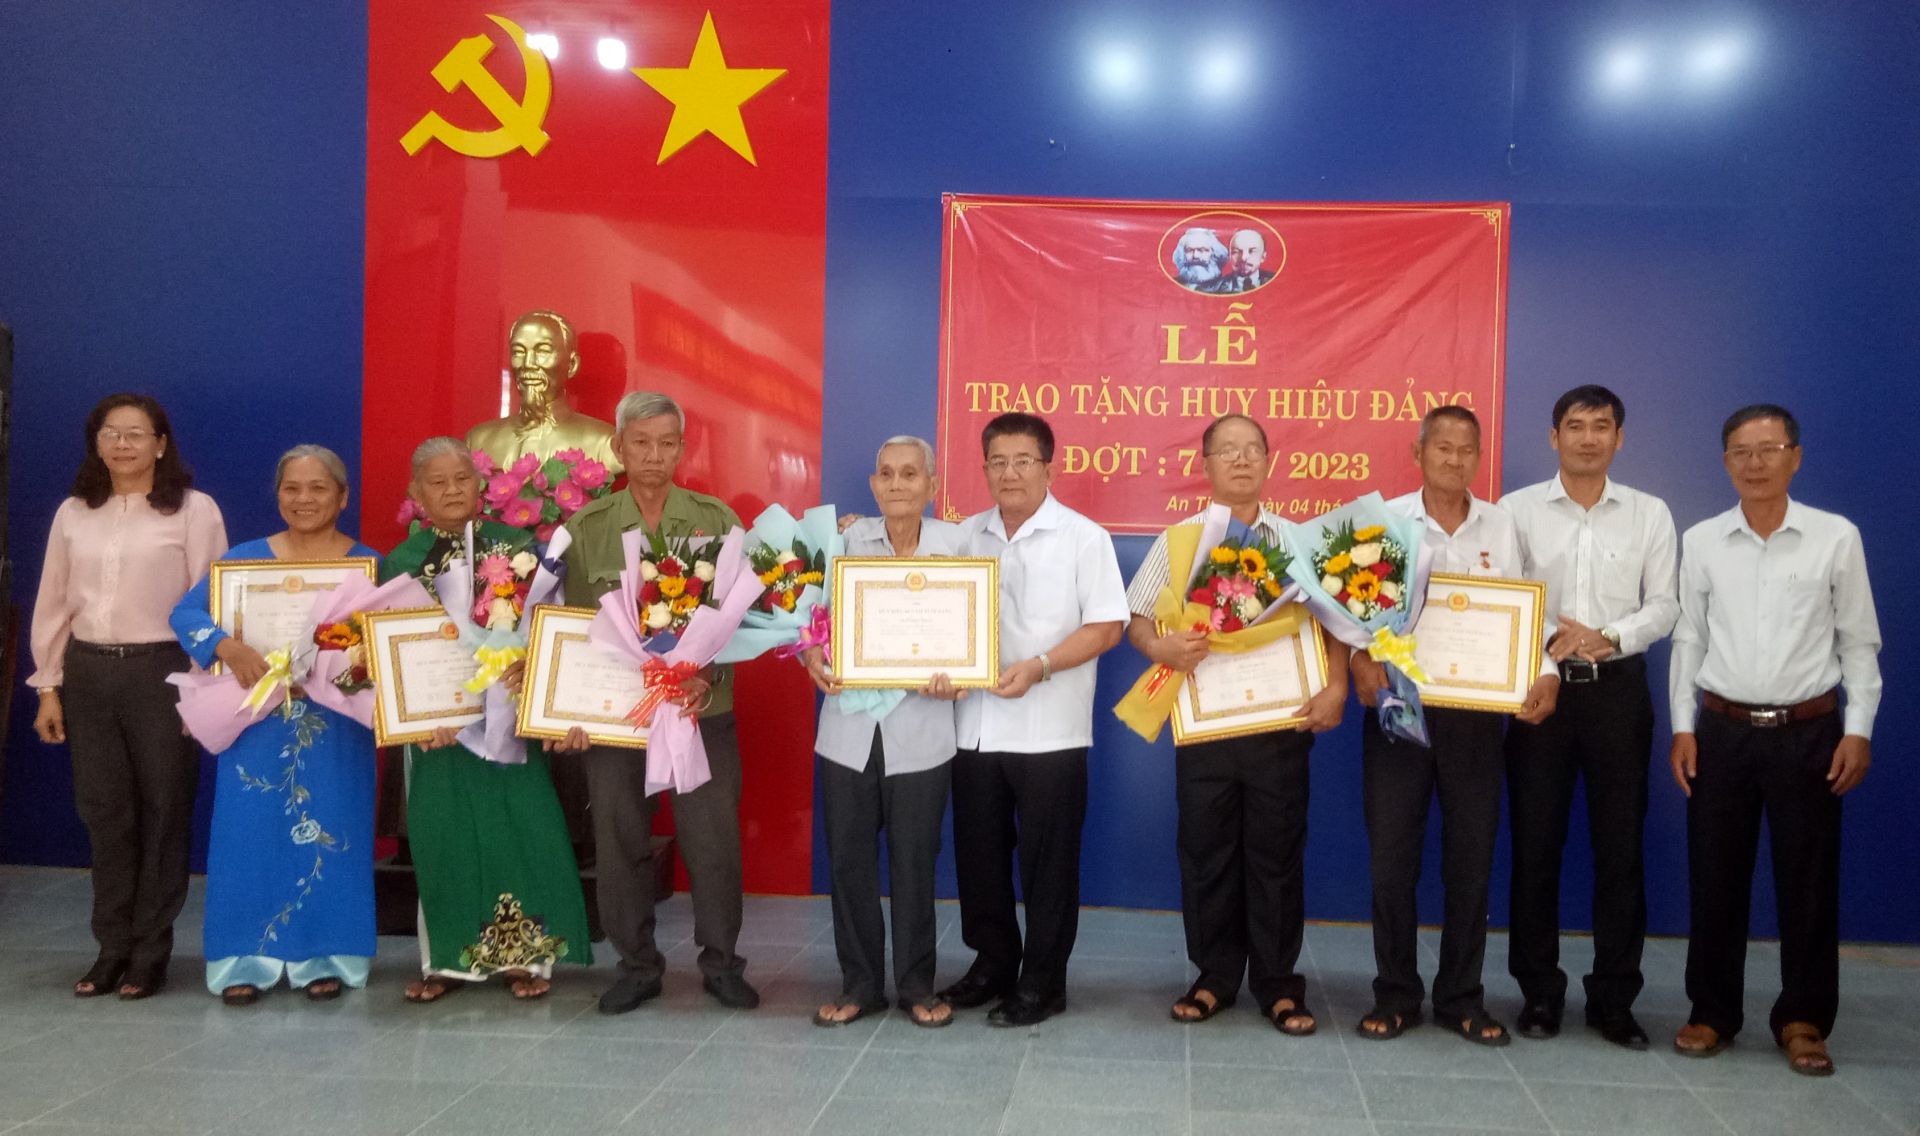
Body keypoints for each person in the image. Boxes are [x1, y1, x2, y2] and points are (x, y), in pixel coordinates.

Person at [1668, 404, 1879, 1077]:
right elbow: (1689, 638)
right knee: (1715, 876)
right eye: (1741, 451)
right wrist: (1682, 726)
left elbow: (1859, 642)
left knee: (1808, 881)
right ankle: (1712, 1011)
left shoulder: (1835, 538)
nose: (1755, 463)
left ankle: (1804, 1018)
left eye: (1769, 449)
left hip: (1809, 732)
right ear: (1725, 461)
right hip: (1721, 731)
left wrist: (1858, 729)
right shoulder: (1703, 540)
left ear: (1796, 457)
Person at [1125, 414, 1348, 1033]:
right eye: (1228, 450)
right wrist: (1159, 647)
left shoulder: (1299, 543)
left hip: (1282, 725)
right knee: (1206, 852)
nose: (1242, 460)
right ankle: (1214, 976)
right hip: (1206, 727)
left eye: (1252, 449)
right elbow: (1136, 617)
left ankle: (1279, 983)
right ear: (1206, 465)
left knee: (1277, 854)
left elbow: (1338, 622)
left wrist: (1336, 685)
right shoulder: (1178, 541)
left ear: (1269, 461)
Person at [1350, 405, 1559, 1047]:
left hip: (1476, 716)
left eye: (1467, 449)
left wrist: (1546, 671)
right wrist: (1359, 659)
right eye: (1442, 447)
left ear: (1479, 457)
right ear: (1418, 453)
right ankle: (1395, 993)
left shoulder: (1502, 524)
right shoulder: (1383, 524)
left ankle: (1462, 996)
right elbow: (1351, 611)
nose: (1454, 459)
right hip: (1401, 708)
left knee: (1471, 859)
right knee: (1392, 859)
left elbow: (1530, 613)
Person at [551, 391, 758, 1014]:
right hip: (618, 718)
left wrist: (704, 675)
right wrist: (569, 713)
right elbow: (566, 628)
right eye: (640, 443)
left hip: (699, 712)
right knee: (620, 843)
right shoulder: (584, 530)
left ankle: (722, 963)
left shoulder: (716, 521)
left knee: (713, 841)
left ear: (682, 448)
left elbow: (742, 619)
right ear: (618, 447)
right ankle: (637, 965)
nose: (654, 455)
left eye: (667, 443)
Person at [29, 393, 227, 1000]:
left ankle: (150, 952)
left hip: (161, 672)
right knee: (104, 811)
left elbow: (213, 603)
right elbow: (53, 601)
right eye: (110, 433)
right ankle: (111, 946)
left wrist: (202, 688)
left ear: (161, 445)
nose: (122, 444)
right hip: (89, 673)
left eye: (136, 433)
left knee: (165, 810)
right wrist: (49, 686)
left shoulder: (193, 510)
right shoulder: (73, 513)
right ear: (96, 444)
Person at [381, 436, 591, 1003]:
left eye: (462, 479)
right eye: (437, 482)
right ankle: (447, 961)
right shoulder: (402, 562)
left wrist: (535, 674)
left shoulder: (518, 546)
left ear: (481, 484)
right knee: (442, 835)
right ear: (416, 492)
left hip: (509, 718)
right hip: (440, 730)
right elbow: (392, 650)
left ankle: (527, 957)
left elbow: (551, 622)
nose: (452, 490)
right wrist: (421, 714)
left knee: (521, 829)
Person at [936, 412, 1128, 1027]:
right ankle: (993, 964)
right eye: (998, 462)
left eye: (1023, 461)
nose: (1010, 473)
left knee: (1048, 866)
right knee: (980, 858)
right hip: (973, 727)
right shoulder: (964, 536)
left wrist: (1041, 666)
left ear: (1049, 467)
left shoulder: (1083, 537)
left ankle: (1043, 981)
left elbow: (1107, 626)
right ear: (984, 468)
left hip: (1051, 729)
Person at [1500, 386, 1678, 1050]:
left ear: (1619, 438)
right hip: (1539, 690)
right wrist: (1555, 640)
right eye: (1574, 426)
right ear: (1554, 437)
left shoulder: (1649, 514)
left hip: (1618, 692)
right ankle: (1539, 993)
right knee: (1535, 846)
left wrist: (1607, 635)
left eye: (1601, 427)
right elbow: (1508, 592)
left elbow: (1665, 605)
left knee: (1620, 850)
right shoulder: (1516, 511)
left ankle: (1614, 999)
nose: (1588, 438)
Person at [170, 446, 378, 1005]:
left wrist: (351, 665)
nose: (304, 499)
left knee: (333, 829)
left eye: (318, 488)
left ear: (343, 497)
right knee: (249, 836)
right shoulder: (243, 561)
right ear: (278, 494)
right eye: (292, 488)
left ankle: (326, 956)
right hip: (256, 723)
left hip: (336, 727)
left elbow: (388, 641)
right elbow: (186, 614)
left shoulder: (367, 566)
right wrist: (227, 646)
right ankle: (245, 958)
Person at [801, 436, 962, 1029]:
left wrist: (962, 676)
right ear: (873, 484)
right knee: (849, 863)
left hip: (922, 732)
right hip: (847, 731)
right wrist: (811, 656)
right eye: (887, 474)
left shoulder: (959, 547)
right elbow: (808, 621)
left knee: (915, 863)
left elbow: (980, 629)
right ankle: (860, 985)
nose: (898, 484)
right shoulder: (842, 543)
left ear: (932, 485)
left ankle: (917, 985)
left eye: (910, 474)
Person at [465, 309, 620, 474]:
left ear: (572, 365)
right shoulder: (479, 441)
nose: (528, 363)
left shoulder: (604, 443)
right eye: (518, 352)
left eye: (543, 351)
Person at [1203, 229, 1276, 293]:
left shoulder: (1276, 281)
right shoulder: (1215, 288)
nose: (1243, 258)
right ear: (1230, 256)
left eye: (1251, 251)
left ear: (1263, 256)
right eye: (1236, 252)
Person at [1171, 227, 1229, 291]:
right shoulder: (1172, 284)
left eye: (1202, 250)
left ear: (1214, 254)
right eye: (1189, 250)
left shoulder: (1227, 286)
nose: (1195, 256)